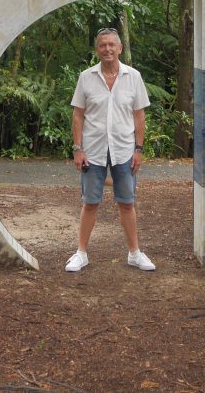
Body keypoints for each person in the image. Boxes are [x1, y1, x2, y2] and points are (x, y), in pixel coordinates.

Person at [64, 27, 155, 272]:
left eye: (111, 45)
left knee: (127, 202)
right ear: (97, 50)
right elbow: (78, 115)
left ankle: (135, 253)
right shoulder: (86, 77)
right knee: (90, 203)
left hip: (124, 150)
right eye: (103, 45)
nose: (107, 49)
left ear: (120, 48)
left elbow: (139, 116)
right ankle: (81, 253)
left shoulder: (133, 77)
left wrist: (139, 149)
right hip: (92, 150)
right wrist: (77, 149)